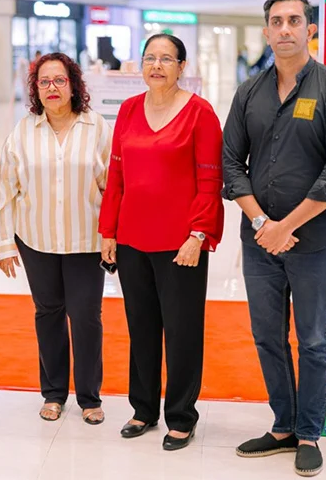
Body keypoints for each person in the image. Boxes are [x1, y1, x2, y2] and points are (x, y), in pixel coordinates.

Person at [222, 0, 326, 477]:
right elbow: (231, 164)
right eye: (277, 21)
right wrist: (264, 224)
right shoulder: (249, 93)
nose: (285, 29)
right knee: (267, 337)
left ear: (310, 29)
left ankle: (308, 433)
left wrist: (287, 227)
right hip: (260, 241)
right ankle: (282, 426)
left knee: (314, 340)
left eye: (294, 20)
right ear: (266, 31)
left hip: (315, 242)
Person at [99, 33, 224, 451]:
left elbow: (210, 179)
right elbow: (116, 174)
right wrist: (108, 230)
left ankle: (182, 416)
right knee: (142, 327)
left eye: (166, 59)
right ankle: (143, 409)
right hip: (132, 239)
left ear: (181, 67)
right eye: (149, 58)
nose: (156, 66)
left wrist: (198, 234)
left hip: (180, 243)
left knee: (182, 331)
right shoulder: (129, 109)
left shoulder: (200, 113)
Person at [0, 52, 112, 425]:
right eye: (44, 81)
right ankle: (54, 393)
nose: (52, 87)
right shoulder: (23, 131)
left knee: (86, 317)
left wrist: (113, 234)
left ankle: (89, 397)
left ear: (74, 85)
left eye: (60, 80)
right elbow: (6, 190)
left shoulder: (97, 127)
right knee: (48, 314)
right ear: (35, 89)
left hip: (86, 240)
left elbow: (112, 186)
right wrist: (4, 243)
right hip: (36, 240)